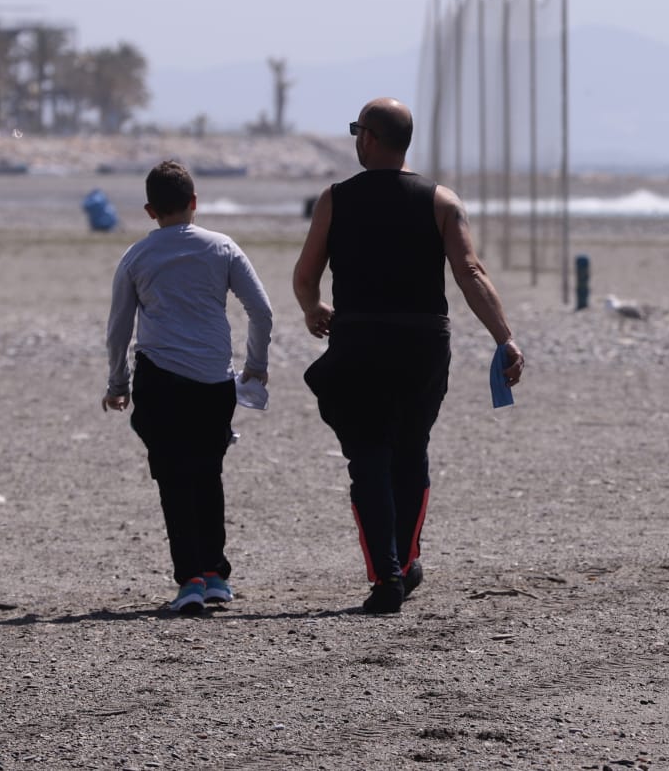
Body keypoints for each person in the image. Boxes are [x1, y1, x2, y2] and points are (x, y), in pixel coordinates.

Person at [294, 98, 525, 615]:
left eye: (357, 130)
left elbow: (306, 275)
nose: (356, 138)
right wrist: (503, 336)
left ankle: (387, 578)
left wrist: (313, 309)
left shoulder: (335, 199)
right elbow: (471, 273)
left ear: (370, 138)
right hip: (423, 344)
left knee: (369, 458)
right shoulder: (442, 200)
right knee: (411, 450)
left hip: (359, 343)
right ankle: (406, 559)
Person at [102, 160, 273, 614]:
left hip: (159, 378)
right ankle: (215, 573)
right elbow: (262, 311)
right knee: (207, 471)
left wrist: (118, 383)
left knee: (173, 478)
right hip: (214, 380)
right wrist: (255, 365)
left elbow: (119, 328)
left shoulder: (137, 256)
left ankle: (191, 579)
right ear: (194, 203)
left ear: (149, 210)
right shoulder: (223, 248)